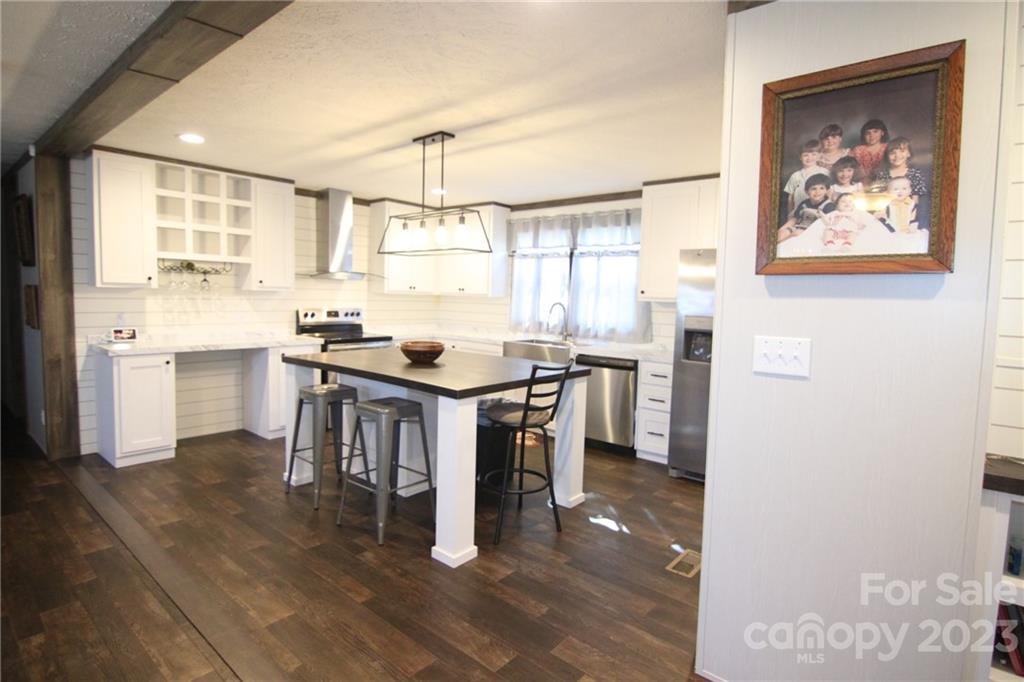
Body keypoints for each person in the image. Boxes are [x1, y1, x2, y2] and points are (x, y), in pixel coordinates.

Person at [778, 173, 835, 243]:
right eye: (813, 189)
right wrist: (782, 228)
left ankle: (783, 245)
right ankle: (778, 246)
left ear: (827, 190)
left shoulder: (829, 205)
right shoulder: (804, 204)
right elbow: (795, 219)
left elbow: (828, 224)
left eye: (822, 188)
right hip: (799, 226)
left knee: (797, 234)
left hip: (813, 231)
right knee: (781, 234)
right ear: (807, 191)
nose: (817, 192)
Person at [783, 139, 830, 216]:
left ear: (819, 156)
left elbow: (829, 194)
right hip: (799, 214)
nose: (809, 158)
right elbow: (790, 199)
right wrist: (790, 214)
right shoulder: (795, 175)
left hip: (819, 214)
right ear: (800, 157)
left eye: (813, 154)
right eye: (805, 155)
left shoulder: (825, 172)